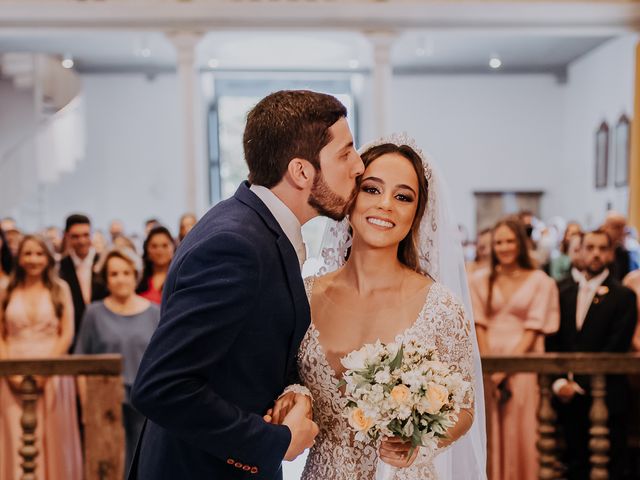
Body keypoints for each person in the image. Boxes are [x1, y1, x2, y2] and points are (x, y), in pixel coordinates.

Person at [130, 90, 365, 479]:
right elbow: (161, 386)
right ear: (302, 171)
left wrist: (293, 391)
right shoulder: (237, 245)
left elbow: (245, 357)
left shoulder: (252, 227)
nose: (358, 166)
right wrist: (274, 442)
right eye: (345, 153)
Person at [270, 135, 486, 479]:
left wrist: (418, 441)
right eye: (372, 189)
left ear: (416, 214)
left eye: (403, 197)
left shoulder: (442, 307)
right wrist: (295, 396)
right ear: (350, 197)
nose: (386, 204)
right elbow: (283, 377)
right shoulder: (304, 295)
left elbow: (464, 410)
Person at [469, 218, 559, 480]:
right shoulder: (479, 280)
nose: (504, 247)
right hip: (487, 362)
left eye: (510, 241)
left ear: (521, 243)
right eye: (499, 242)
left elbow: (534, 328)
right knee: (489, 429)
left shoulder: (541, 281)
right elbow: (479, 324)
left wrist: (506, 370)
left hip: (524, 363)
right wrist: (490, 369)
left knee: (523, 427)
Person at [546, 230, 637, 479]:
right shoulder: (563, 292)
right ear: (581, 251)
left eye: (602, 248)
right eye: (590, 247)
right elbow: (553, 341)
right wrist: (560, 381)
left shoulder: (624, 296)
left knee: (611, 467)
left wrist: (579, 384)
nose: (596, 253)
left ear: (610, 253)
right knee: (575, 464)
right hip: (568, 397)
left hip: (607, 394)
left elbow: (615, 347)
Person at [0, 236, 82, 480]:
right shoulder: (7, 290)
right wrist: (9, 372)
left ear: (48, 258)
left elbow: (66, 333)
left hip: (52, 374)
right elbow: (0, 335)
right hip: (10, 373)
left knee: (53, 435)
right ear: (19, 257)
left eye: (39, 254)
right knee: (13, 436)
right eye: (28, 253)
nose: (33, 259)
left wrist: (47, 372)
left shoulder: (60, 288)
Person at [74, 247, 160, 470]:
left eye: (125, 272)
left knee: (144, 461)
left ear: (135, 275)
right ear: (105, 279)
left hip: (146, 400)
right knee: (109, 462)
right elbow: (82, 361)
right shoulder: (94, 313)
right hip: (105, 401)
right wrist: (86, 408)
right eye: (114, 274)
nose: (121, 279)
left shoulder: (155, 312)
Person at [59, 214, 108, 350]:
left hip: (104, 335)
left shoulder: (105, 263)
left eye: (86, 235)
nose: (82, 241)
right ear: (67, 237)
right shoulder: (59, 268)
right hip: (72, 340)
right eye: (75, 236)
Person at [136, 226, 176, 305]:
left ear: (173, 247)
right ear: (147, 249)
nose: (159, 251)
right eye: (154, 246)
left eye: (165, 245)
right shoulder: (138, 279)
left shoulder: (179, 278)